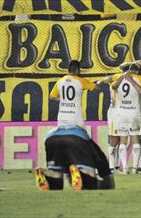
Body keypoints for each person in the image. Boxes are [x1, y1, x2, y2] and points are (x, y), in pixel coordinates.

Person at [35, 60, 115, 191]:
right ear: (77, 70)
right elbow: (95, 87)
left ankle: (53, 176)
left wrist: (63, 100)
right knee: (80, 145)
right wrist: (102, 82)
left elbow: (51, 97)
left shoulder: (60, 81)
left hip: (61, 120)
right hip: (75, 119)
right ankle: (79, 171)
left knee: (63, 151)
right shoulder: (80, 81)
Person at [111, 63, 141, 174]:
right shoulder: (139, 79)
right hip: (134, 113)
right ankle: (135, 168)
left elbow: (113, 86)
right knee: (135, 140)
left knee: (123, 141)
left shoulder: (119, 78)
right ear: (135, 71)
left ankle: (124, 168)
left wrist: (123, 76)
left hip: (122, 113)